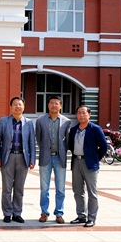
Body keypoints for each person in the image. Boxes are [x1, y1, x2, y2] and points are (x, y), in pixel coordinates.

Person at [0, 97, 36, 223]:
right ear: (11, 107)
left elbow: (31, 142)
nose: (17, 107)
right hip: (8, 157)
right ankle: (7, 213)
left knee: (19, 188)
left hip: (23, 158)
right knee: (7, 188)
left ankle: (17, 213)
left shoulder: (29, 123)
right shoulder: (3, 121)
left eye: (20, 104)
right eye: (15, 104)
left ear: (24, 107)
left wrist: (32, 159)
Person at [68, 106, 108, 228]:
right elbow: (70, 145)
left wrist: (95, 158)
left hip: (90, 163)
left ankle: (91, 218)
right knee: (77, 191)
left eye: (84, 113)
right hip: (76, 162)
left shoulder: (95, 129)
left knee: (92, 192)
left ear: (89, 115)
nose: (81, 115)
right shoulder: (73, 130)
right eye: (79, 113)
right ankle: (81, 216)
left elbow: (104, 146)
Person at [35, 95, 71, 224]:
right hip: (46, 157)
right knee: (44, 188)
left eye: (56, 103)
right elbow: (39, 139)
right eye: (51, 103)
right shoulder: (40, 121)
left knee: (60, 188)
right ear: (48, 105)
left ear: (61, 105)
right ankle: (44, 213)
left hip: (60, 158)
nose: (54, 105)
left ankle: (59, 213)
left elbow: (67, 141)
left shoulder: (67, 121)